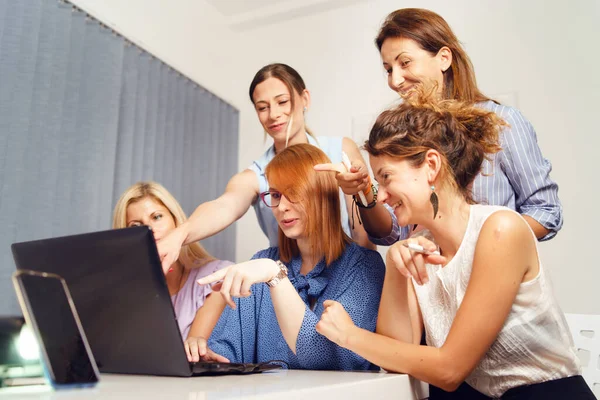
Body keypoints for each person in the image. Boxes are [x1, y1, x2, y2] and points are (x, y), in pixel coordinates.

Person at [315, 90, 593, 399]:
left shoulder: (501, 229)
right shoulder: (416, 247)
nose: (380, 196)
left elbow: (449, 370)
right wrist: (395, 263)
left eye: (387, 177)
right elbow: (397, 360)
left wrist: (350, 336)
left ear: (431, 165)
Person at [316, 8, 563, 284]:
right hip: (428, 292)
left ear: (444, 58)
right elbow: (391, 232)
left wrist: (472, 247)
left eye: (405, 63)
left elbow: (547, 213)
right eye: (388, 69)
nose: (395, 81)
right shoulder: (403, 134)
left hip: (493, 285)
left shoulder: (502, 123)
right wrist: (365, 192)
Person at [157, 63, 374, 274]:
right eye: (262, 107)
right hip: (287, 283)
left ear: (304, 98)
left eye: (282, 101)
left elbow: (363, 230)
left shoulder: (340, 151)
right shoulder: (255, 175)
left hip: (346, 273)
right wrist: (180, 234)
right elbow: (223, 206)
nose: (273, 114)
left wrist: (360, 282)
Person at [193, 144, 385, 370]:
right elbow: (228, 351)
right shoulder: (261, 262)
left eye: (293, 193)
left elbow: (328, 361)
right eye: (275, 195)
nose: (281, 207)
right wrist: (206, 355)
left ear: (321, 194)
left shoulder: (364, 267)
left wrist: (276, 277)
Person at [112, 181, 231, 362]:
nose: (149, 229)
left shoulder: (215, 277)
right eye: (135, 226)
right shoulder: (126, 293)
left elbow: (191, 354)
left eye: (157, 217)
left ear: (176, 221)